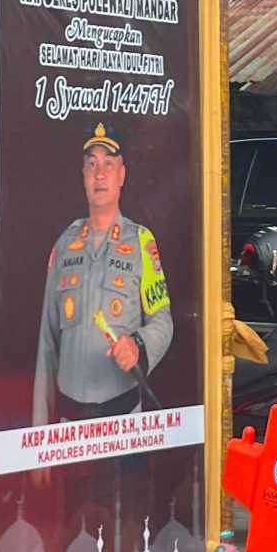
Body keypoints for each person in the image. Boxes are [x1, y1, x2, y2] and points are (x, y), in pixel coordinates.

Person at [30, 124, 174, 426]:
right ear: (83, 174)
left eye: (108, 164)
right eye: (92, 164)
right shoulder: (65, 244)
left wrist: (138, 344)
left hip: (123, 420)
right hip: (70, 424)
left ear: (122, 175)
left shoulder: (141, 242)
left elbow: (163, 320)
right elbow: (47, 342)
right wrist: (40, 429)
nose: (99, 174)